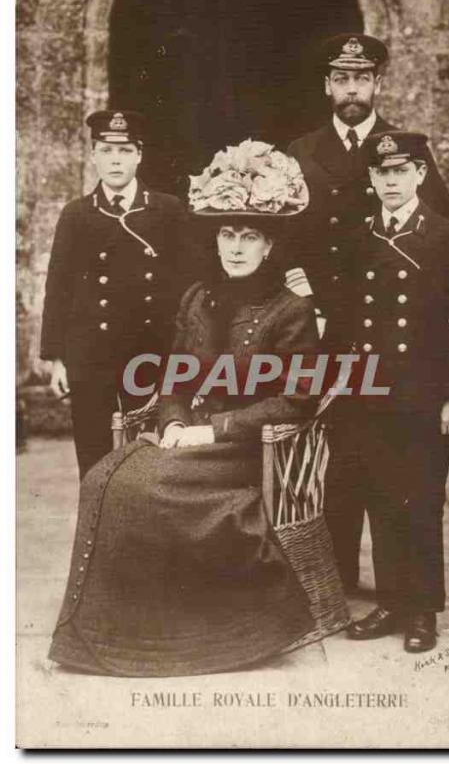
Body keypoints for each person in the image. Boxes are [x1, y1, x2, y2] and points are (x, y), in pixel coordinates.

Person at [47, 141, 325, 677]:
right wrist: (173, 418)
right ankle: (120, 629)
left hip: (246, 450)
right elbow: (174, 375)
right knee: (103, 476)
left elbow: (295, 398)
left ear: (268, 246)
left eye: (249, 237)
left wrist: (210, 431)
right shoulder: (198, 298)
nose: (236, 248)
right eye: (227, 235)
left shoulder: (291, 310)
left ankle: (190, 633)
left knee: (138, 486)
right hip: (187, 437)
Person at [287, 32, 449, 590]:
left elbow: (438, 246)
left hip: (387, 336)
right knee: (338, 464)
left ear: (378, 83)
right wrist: (298, 293)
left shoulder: (405, 151)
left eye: (362, 78)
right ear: (326, 86)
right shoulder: (300, 152)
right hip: (325, 332)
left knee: (396, 470)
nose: (352, 89)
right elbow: (282, 234)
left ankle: (406, 591)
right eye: (342, 79)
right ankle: (335, 581)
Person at [324, 131, 449, 652]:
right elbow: (345, 322)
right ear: (371, 179)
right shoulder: (358, 237)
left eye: (401, 172)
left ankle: (423, 611)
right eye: (382, 173)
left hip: (422, 397)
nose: (391, 182)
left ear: (419, 175)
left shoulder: (442, 237)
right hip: (365, 397)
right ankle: (392, 601)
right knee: (377, 500)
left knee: (420, 502)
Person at [40, 110, 194, 480]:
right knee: (92, 460)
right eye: (107, 150)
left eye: (124, 151)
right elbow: (58, 286)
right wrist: (56, 358)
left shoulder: (166, 209)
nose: (115, 160)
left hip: (149, 353)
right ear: (94, 154)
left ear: (139, 155)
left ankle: (142, 538)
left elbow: (189, 279)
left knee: (147, 458)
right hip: (91, 356)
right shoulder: (76, 215)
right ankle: (96, 537)